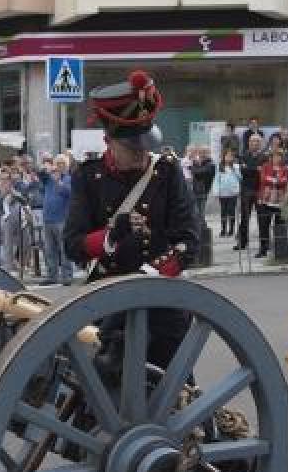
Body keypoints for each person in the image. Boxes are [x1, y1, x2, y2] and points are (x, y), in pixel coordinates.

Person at [64, 69, 200, 368]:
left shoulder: (167, 172)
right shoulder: (88, 177)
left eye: (146, 146)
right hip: (105, 306)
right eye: (133, 148)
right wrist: (112, 235)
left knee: (170, 387)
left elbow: (188, 241)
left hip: (161, 304)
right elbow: (72, 244)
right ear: (109, 141)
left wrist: (147, 278)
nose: (142, 155)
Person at [38, 154, 73, 285]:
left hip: (62, 219)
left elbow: (68, 193)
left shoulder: (69, 179)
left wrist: (59, 181)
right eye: (57, 164)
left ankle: (67, 276)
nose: (58, 166)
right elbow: (40, 173)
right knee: (49, 250)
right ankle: (52, 276)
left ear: (66, 166)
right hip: (48, 219)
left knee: (64, 249)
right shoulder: (49, 179)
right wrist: (45, 163)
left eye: (61, 164)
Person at [255, 148, 288, 258]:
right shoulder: (265, 166)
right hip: (265, 200)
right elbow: (263, 179)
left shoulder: (285, 168)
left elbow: (285, 181)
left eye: (279, 156)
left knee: (279, 226)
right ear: (271, 157)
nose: (277, 158)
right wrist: (276, 181)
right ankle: (263, 249)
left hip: (279, 201)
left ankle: (280, 250)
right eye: (274, 156)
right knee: (263, 226)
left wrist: (273, 181)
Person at [235, 134, 266, 251]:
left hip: (259, 190)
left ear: (260, 144)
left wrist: (249, 168)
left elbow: (262, 171)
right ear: (248, 143)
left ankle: (264, 245)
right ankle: (242, 242)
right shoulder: (243, 156)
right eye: (252, 141)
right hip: (246, 189)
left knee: (262, 218)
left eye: (257, 142)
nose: (255, 144)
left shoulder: (265, 157)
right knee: (244, 217)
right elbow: (243, 171)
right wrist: (254, 169)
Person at [215, 147, 241, 238]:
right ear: (224, 157)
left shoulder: (236, 166)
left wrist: (236, 170)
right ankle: (223, 229)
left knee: (231, 211)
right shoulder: (220, 167)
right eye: (227, 156)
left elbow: (240, 178)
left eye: (231, 156)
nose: (229, 158)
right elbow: (216, 179)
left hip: (233, 193)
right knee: (223, 211)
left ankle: (231, 229)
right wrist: (216, 191)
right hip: (223, 193)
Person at [190, 146, 215, 220]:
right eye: (201, 152)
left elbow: (198, 172)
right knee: (195, 213)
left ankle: (202, 229)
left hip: (203, 192)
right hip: (195, 191)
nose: (202, 154)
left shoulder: (211, 164)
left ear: (209, 153)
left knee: (200, 214)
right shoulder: (198, 163)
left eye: (204, 152)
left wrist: (194, 166)